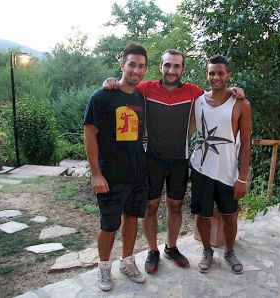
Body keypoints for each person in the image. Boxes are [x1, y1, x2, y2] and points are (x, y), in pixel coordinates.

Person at [103, 49, 245, 274]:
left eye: (176, 66)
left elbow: (217, 92)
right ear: (160, 66)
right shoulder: (146, 88)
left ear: (183, 69)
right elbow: (125, 86)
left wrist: (236, 90)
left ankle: (171, 247)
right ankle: (152, 250)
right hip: (151, 159)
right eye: (167, 65)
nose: (171, 70)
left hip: (180, 159)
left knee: (175, 206)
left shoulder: (193, 93)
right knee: (151, 206)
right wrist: (111, 81)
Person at [84, 42, 148, 291]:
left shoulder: (140, 97)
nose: (136, 70)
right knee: (109, 225)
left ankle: (127, 262)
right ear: (122, 65)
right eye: (132, 64)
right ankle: (103, 267)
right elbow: (90, 135)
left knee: (132, 219)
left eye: (141, 66)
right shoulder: (102, 96)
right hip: (110, 174)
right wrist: (96, 173)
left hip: (137, 172)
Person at [190, 55, 252, 274]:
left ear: (228, 75)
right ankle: (207, 250)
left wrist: (242, 177)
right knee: (203, 215)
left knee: (230, 216)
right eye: (211, 73)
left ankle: (230, 251)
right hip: (200, 168)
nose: (215, 77)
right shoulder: (197, 101)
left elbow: (246, 144)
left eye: (220, 73)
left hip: (227, 172)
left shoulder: (241, 104)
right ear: (207, 75)